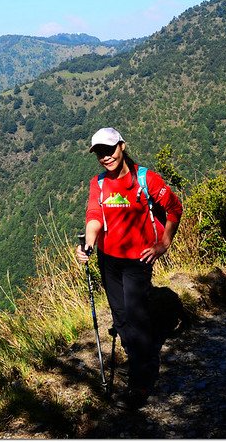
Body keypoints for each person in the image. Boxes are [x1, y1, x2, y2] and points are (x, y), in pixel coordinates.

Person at [76, 127, 183, 409]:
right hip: (108, 259)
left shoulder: (145, 178)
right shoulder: (98, 184)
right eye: (100, 152)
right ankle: (136, 354)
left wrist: (164, 243)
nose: (106, 157)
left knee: (135, 316)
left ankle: (142, 377)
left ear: (122, 146)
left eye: (110, 150)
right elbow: (94, 215)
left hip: (139, 259)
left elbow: (174, 207)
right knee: (120, 316)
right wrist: (88, 243)